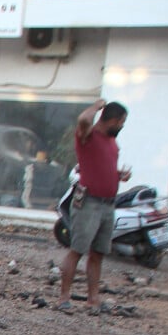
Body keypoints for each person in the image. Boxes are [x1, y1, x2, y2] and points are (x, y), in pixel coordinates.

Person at [56, 99, 131, 314]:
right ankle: (64, 297)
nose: (122, 126)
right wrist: (98, 105)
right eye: (122, 122)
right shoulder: (88, 135)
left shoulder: (111, 141)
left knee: (98, 252)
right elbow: (82, 119)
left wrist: (118, 175)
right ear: (113, 119)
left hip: (108, 204)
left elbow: (102, 167)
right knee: (77, 250)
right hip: (89, 202)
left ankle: (93, 298)